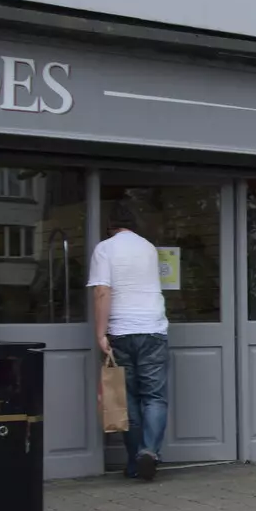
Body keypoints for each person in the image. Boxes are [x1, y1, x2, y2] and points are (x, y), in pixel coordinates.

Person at [89, 203, 170, 482]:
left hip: (121, 332)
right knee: (155, 397)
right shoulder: (148, 247)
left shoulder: (105, 248)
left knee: (129, 399)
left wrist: (100, 333)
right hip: (154, 329)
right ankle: (149, 452)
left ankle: (136, 463)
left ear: (110, 226)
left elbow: (102, 292)